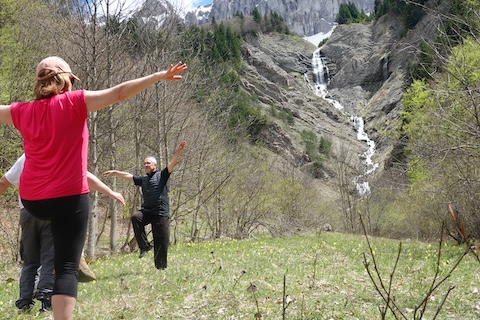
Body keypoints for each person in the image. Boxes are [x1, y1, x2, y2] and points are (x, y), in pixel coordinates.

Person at [0, 56, 187, 320]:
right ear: (66, 80)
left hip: (32, 200)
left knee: (44, 251)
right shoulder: (76, 101)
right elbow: (120, 92)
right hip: (68, 198)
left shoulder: (20, 111)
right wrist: (157, 76)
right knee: (66, 266)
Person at [0, 153, 125, 313]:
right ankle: (45, 302)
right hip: (51, 209)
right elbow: (84, 176)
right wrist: (110, 192)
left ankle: (24, 303)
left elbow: (4, 182)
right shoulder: (61, 152)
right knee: (49, 258)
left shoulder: (28, 155)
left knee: (30, 261)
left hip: (28, 211)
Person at [103, 141, 186, 269]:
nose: (145, 165)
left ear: (155, 165)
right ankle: (144, 246)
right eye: (144, 164)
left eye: (148, 163)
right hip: (147, 211)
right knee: (136, 217)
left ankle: (161, 268)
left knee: (161, 241)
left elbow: (172, 163)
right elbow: (129, 176)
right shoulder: (143, 180)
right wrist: (115, 172)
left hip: (160, 213)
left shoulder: (162, 175)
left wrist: (179, 150)